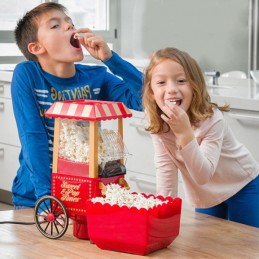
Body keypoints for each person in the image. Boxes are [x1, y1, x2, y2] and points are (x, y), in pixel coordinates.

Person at [11, 2, 142, 209]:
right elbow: (32, 136)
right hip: (37, 196)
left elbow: (146, 99)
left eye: (70, 23)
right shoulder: (28, 74)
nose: (69, 27)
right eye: (55, 25)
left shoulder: (96, 77)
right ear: (36, 47)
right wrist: (46, 198)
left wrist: (111, 59)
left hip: (86, 194)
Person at [142, 47, 259, 228]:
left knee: (248, 244)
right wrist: (160, 218)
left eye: (181, 80)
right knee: (208, 245)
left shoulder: (212, 119)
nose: (171, 89)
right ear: (151, 91)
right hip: (205, 193)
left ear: (195, 86)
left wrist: (185, 134)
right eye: (161, 82)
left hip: (242, 184)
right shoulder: (158, 123)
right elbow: (166, 172)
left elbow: (203, 174)